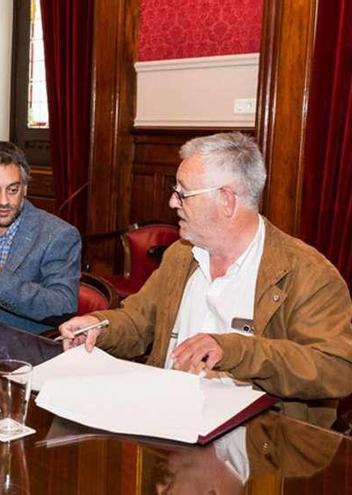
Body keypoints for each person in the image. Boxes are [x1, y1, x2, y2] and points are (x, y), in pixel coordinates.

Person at [59, 132, 352, 428]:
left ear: (226, 200)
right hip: (164, 421)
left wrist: (234, 350)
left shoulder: (305, 272)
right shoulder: (181, 256)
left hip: (255, 445)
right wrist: (99, 326)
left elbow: (336, 368)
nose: (173, 202)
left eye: (183, 193)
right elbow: (138, 322)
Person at [0, 141, 81, 334]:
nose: (4, 201)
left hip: (21, 352)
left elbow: (63, 305)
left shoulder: (58, 235)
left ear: (25, 188)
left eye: (13, 190)